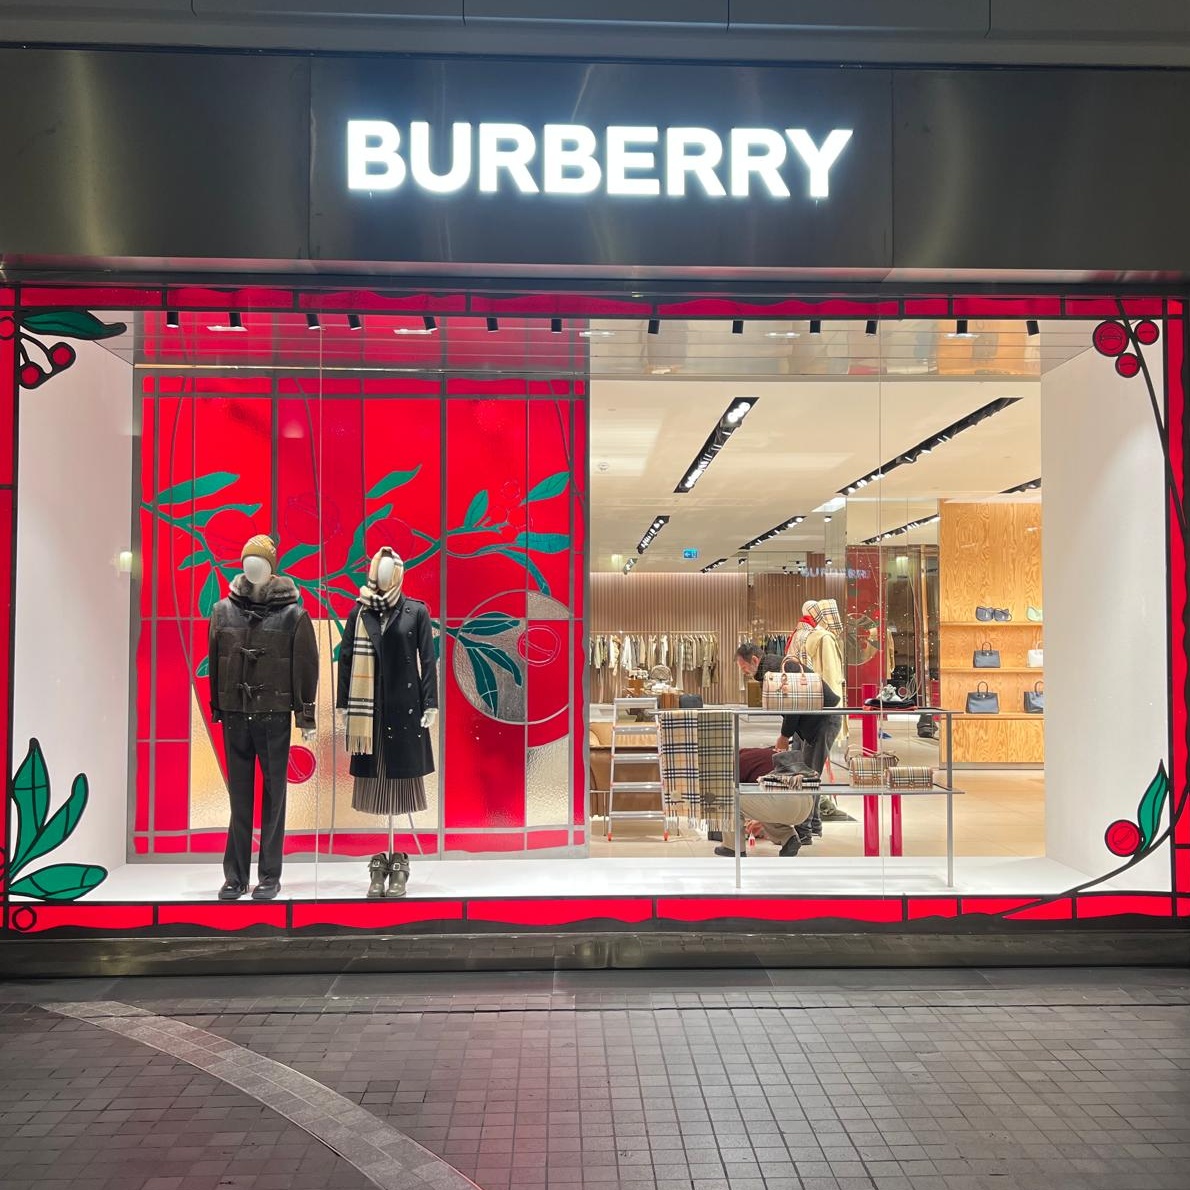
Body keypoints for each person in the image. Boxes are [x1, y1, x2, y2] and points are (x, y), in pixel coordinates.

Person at [724, 646, 841, 857]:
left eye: (743, 667)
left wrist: (784, 736)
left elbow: (792, 705)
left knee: (806, 776)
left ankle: (805, 832)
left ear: (754, 660)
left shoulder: (777, 669)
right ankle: (810, 827)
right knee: (805, 775)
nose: (744, 672)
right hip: (812, 723)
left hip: (821, 722)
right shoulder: (774, 668)